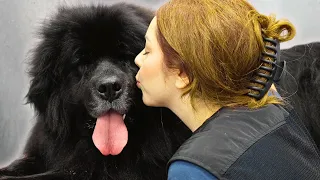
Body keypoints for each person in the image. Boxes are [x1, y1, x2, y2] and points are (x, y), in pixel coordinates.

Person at [135, 0, 320, 179]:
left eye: (148, 51)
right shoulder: (273, 107)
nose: (138, 59)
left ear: (183, 74)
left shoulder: (194, 168)